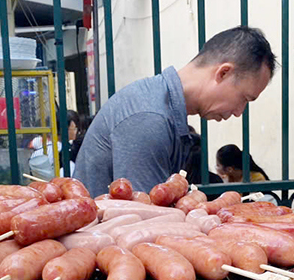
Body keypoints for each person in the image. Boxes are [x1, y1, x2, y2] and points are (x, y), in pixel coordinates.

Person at [75, 27, 277, 195]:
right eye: (244, 98)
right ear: (223, 73)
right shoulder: (150, 118)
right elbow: (143, 222)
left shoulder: (162, 108)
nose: (239, 112)